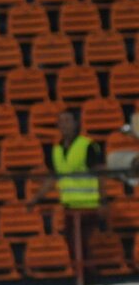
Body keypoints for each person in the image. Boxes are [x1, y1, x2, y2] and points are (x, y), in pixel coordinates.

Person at [28, 109, 107, 268]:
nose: (64, 125)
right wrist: (36, 198)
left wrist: (103, 200)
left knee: (84, 246)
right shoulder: (56, 150)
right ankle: (82, 282)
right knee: (73, 246)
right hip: (69, 207)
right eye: (61, 121)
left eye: (67, 121)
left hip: (88, 206)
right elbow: (54, 178)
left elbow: (100, 174)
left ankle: (89, 282)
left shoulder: (87, 145)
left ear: (76, 123)